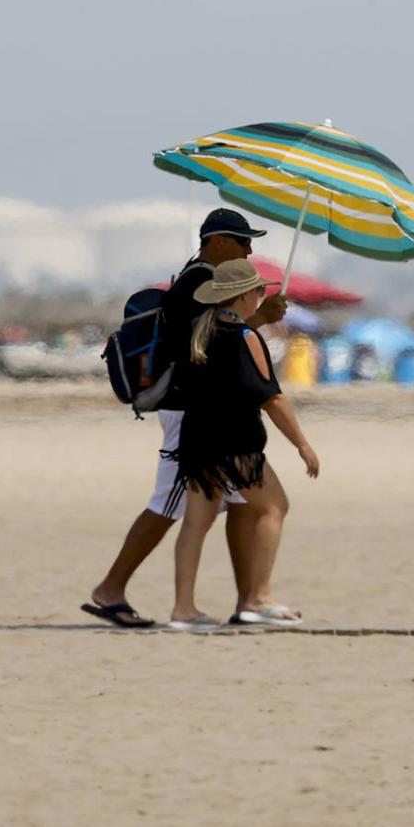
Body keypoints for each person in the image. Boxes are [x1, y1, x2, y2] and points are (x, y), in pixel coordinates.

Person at [83, 208, 295, 628]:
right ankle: (112, 590)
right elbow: (213, 340)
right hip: (189, 411)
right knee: (169, 505)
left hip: (200, 412)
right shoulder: (200, 281)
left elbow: (214, 334)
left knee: (237, 504)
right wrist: (262, 317)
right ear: (216, 241)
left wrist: (258, 317)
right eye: (242, 241)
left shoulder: (194, 279)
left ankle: (248, 600)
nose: (250, 250)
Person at [165, 258, 319, 629]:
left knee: (196, 524)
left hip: (197, 441)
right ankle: (257, 597)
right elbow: (273, 398)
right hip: (236, 443)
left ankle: (183, 609)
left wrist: (262, 319)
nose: (262, 295)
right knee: (274, 507)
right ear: (244, 296)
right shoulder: (246, 338)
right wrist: (302, 444)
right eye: (259, 291)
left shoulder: (199, 332)